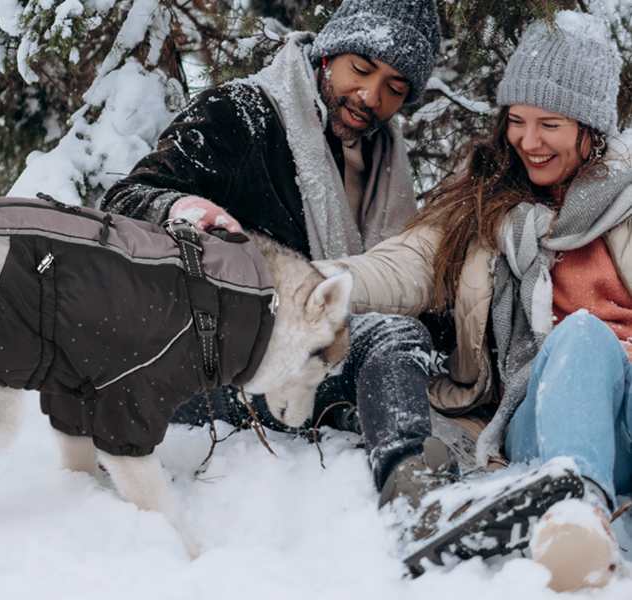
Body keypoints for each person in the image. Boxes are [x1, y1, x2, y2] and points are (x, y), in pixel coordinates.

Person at [99, 0, 552, 565]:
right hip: (211, 367)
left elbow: (397, 274)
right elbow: (123, 203)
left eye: (394, 87)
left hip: (310, 365)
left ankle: (463, 481)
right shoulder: (241, 115)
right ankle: (415, 502)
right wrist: (185, 211)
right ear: (327, 52)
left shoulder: (384, 157)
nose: (371, 98)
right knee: (387, 336)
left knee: (418, 352)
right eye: (361, 70)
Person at [322, 10, 632, 590]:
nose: (528, 142)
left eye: (551, 125)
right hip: (540, 412)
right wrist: (304, 281)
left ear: (592, 129)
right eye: (516, 121)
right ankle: (577, 516)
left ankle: (576, 505)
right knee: (583, 336)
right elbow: (401, 266)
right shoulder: (485, 205)